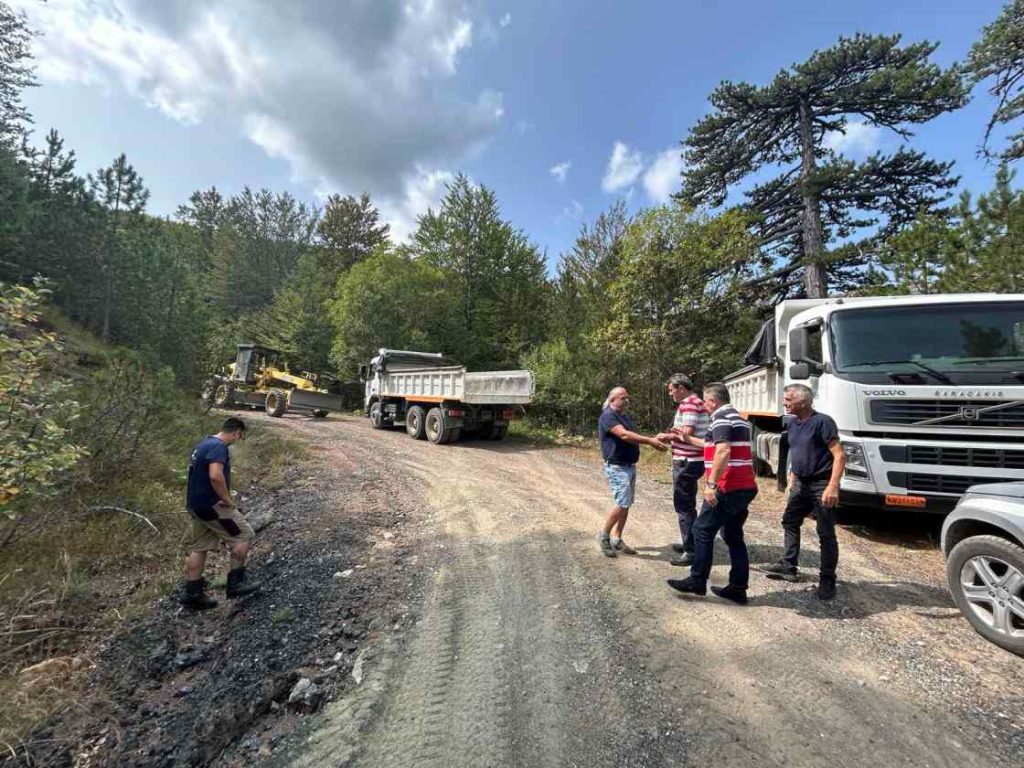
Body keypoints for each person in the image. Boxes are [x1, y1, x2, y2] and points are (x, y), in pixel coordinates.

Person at [667, 382, 757, 604]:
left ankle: (697, 580)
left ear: (713, 401)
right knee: (733, 535)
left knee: (701, 530)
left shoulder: (721, 418)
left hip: (728, 486)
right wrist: (686, 438)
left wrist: (712, 484)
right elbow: (712, 445)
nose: (703, 407)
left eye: (705, 402)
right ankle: (738, 587)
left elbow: (723, 451)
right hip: (744, 486)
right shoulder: (736, 417)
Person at [760, 384, 847, 600]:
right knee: (789, 521)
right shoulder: (793, 424)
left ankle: (827, 580)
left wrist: (833, 486)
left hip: (821, 484)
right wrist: (792, 479)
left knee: (825, 533)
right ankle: (789, 566)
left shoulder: (822, 422)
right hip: (800, 484)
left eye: (788, 399)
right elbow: (798, 453)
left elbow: (840, 455)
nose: (784, 403)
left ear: (803, 402)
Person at [181, 417, 261, 609]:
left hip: (195, 505)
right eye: (239, 436)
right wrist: (227, 500)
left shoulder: (202, 445)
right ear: (236, 432)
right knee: (243, 535)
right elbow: (215, 476)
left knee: (199, 547)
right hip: (213, 506)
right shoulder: (219, 447)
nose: (237, 440)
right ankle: (236, 584)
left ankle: (192, 594)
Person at [597, 387, 669, 557]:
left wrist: (652, 439)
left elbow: (630, 434)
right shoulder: (608, 415)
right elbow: (623, 435)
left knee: (626, 503)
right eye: (623, 398)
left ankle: (617, 539)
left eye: (627, 398)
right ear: (613, 399)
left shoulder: (623, 416)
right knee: (622, 503)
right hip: (617, 466)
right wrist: (649, 441)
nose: (627, 401)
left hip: (629, 465)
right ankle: (604, 536)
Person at [656, 374, 709, 567]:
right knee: (687, 503)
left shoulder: (689, 403)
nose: (671, 394)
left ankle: (691, 550)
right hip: (692, 459)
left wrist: (666, 436)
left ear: (681, 388)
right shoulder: (695, 402)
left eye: (672, 390)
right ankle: (690, 541)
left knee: (683, 504)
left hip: (687, 460)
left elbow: (686, 433)